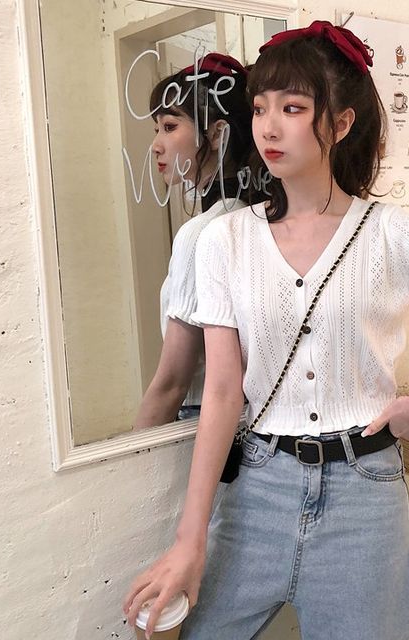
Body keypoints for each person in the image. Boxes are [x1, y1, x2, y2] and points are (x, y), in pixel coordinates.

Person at [124, 21, 409, 639]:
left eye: (293, 108)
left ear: (341, 123)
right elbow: (220, 391)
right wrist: (189, 541)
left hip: (364, 496)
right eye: (260, 108)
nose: (269, 127)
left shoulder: (389, 233)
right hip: (257, 487)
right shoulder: (224, 240)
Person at [134, 53, 253, 428]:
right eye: (156, 129)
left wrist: (133, 452)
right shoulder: (259, 215)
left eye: (169, 126)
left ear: (217, 134)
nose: (156, 145)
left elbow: (172, 383)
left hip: (203, 420)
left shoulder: (202, 233)